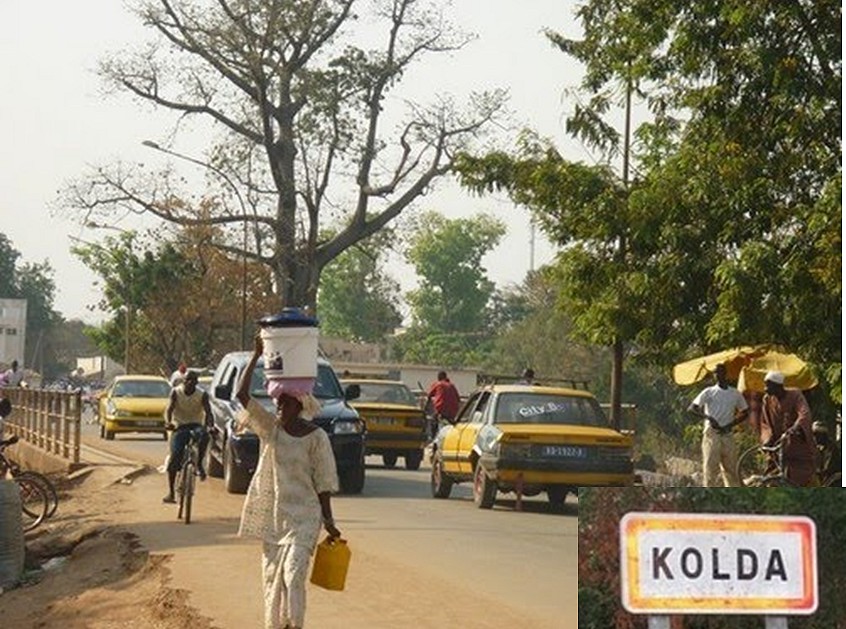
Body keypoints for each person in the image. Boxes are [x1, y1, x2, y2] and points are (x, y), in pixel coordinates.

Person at [236, 335, 341, 629]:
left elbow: (324, 482)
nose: (279, 407)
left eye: (285, 403)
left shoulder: (317, 438)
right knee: (272, 578)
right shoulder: (271, 431)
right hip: (275, 516)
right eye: (278, 402)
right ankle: (276, 624)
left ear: (300, 404)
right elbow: (242, 396)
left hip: (305, 517)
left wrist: (329, 521)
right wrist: (256, 356)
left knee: (293, 574)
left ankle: (295, 625)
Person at [687, 363, 749, 487]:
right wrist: (708, 418)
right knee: (710, 470)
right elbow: (692, 408)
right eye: (715, 372)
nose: (717, 375)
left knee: (731, 470)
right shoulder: (709, 392)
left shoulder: (734, 393)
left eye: (720, 372)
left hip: (727, 434)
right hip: (712, 433)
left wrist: (730, 424)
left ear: (725, 373)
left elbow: (745, 412)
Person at [162, 370, 214, 503]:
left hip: (196, 425)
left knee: (204, 436)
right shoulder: (176, 392)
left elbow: (208, 413)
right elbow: (169, 409)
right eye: (187, 380)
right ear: (183, 381)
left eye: (193, 380)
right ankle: (171, 492)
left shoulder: (202, 395)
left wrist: (210, 426)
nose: (190, 382)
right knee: (175, 458)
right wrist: (169, 423)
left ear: (197, 383)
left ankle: (199, 465)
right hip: (179, 427)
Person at [758, 370, 817, 486]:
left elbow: (804, 413)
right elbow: (765, 422)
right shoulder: (767, 399)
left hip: (796, 443)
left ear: (778, 386)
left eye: (768, 385)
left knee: (802, 475)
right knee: (772, 473)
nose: (765, 388)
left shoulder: (795, 395)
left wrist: (795, 428)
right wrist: (767, 439)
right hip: (778, 443)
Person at [425, 371, 461, 440]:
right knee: (452, 424)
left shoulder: (438, 384)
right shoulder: (452, 385)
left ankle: (433, 438)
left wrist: (426, 407)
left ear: (439, 377)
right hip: (453, 411)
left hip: (441, 409)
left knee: (433, 421)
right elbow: (458, 399)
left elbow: (429, 395)